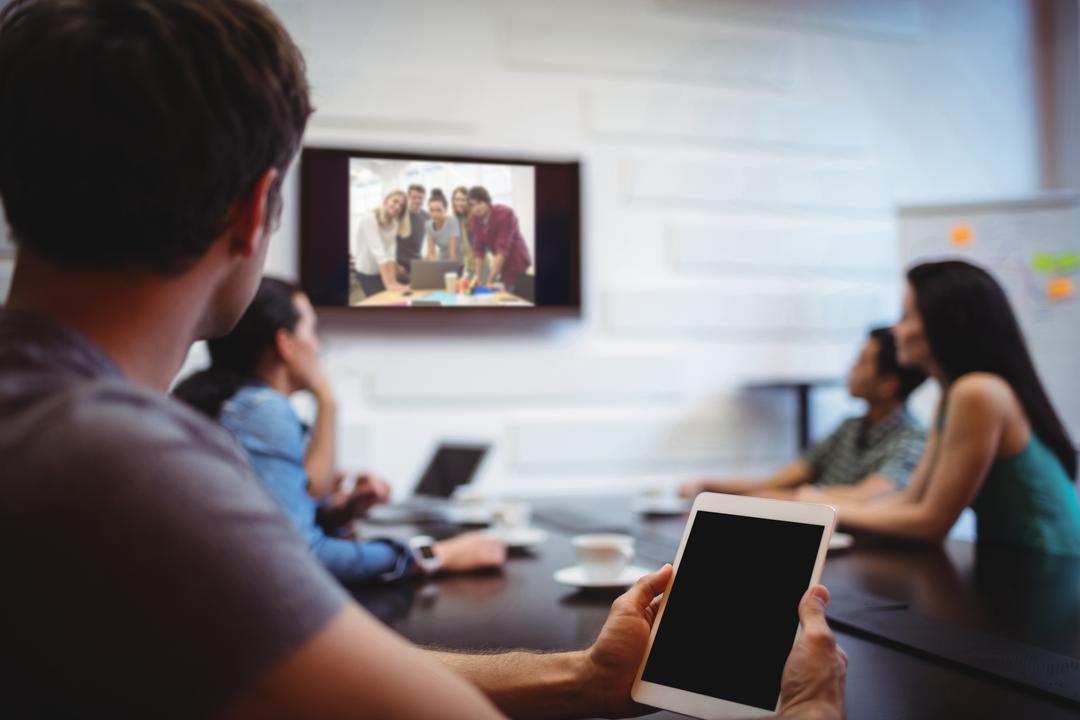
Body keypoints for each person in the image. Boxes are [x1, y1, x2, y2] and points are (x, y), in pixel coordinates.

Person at [0, 1, 847, 717]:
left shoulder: (50, 422)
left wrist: (586, 674)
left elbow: (303, 656)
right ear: (256, 210)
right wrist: (807, 712)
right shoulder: (114, 466)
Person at [174, 277, 505, 584]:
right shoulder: (264, 412)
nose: (318, 347)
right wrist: (436, 555)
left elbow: (269, 521)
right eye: (312, 332)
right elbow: (302, 557)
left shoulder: (216, 400)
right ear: (285, 343)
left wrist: (340, 511)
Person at [828, 261, 1080, 556]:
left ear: (944, 323)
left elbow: (930, 523)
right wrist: (818, 506)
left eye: (907, 316)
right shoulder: (952, 396)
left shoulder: (977, 392)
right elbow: (911, 500)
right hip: (1016, 566)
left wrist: (824, 510)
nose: (896, 329)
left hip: (1052, 570)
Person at [681, 328, 928, 502]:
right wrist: (707, 486)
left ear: (888, 383)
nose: (851, 369)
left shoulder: (912, 437)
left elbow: (869, 496)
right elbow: (777, 482)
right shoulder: (849, 428)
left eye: (861, 362)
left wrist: (785, 499)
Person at [468, 185, 533, 293]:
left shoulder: (505, 214)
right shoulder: (475, 219)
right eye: (473, 205)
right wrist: (477, 278)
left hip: (517, 262)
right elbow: (478, 249)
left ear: (488, 202)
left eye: (479, 203)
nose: (476, 208)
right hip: (501, 265)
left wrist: (490, 280)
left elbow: (502, 250)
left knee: (514, 297)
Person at [352, 189, 409, 297]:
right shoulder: (369, 217)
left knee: (392, 296)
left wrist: (394, 282)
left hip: (381, 270)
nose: (397, 207)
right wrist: (389, 283)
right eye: (395, 201)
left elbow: (391, 253)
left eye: (401, 206)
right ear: (386, 200)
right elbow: (378, 251)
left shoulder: (394, 224)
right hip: (367, 271)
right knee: (379, 300)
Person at [396, 182, 428, 282]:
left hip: (417, 265)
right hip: (400, 267)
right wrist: (395, 265)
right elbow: (387, 244)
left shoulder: (426, 216)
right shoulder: (399, 215)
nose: (417, 201)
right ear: (408, 198)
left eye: (420, 198)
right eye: (414, 197)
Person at [424, 188, 462, 261]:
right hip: (442, 260)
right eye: (431, 210)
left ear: (446, 210)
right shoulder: (428, 225)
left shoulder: (452, 222)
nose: (435, 214)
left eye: (439, 210)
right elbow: (432, 253)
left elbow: (453, 255)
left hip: (457, 262)